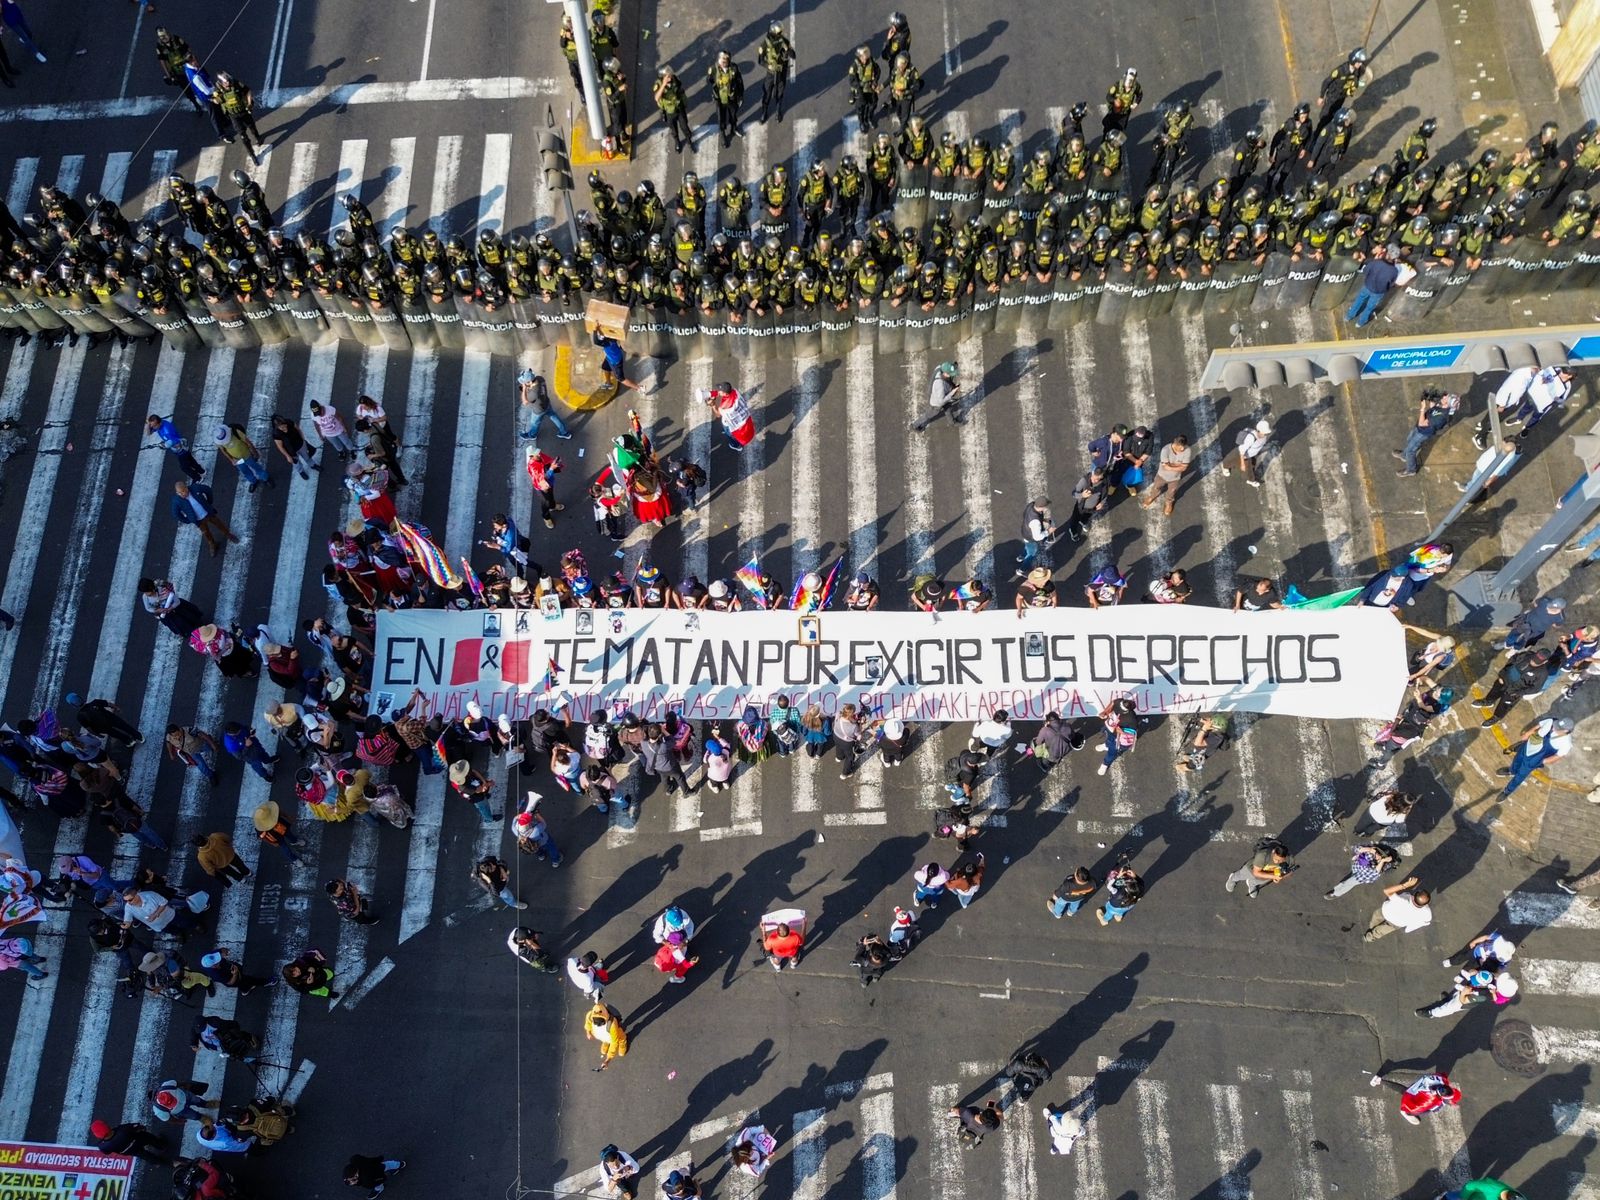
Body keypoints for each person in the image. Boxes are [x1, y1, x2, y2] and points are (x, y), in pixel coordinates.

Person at [1498, 714, 1575, 796]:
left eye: (1558, 728)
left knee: (1521, 774)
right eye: (1556, 725)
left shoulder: (1566, 744)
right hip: (1528, 746)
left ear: (1566, 731)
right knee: (1517, 759)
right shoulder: (1552, 721)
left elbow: (1558, 756)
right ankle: (1512, 771)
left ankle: (1507, 791)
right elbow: (1538, 726)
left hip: (1535, 759)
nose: (1553, 728)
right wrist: (1527, 734)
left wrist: (1541, 761)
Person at [1392, 389, 1460, 476]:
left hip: (1423, 432)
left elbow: (1422, 423)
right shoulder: (1443, 407)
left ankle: (1411, 470)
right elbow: (1433, 408)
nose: (1443, 397)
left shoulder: (1440, 417)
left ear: (1448, 403)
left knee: (1411, 450)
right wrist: (1430, 398)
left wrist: (1422, 408)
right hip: (1420, 428)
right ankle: (1404, 455)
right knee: (1409, 439)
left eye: (1446, 398)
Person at [1367, 1070, 1460, 1126]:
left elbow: (1442, 1076)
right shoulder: (1434, 1101)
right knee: (1427, 1110)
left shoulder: (1442, 1080)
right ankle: (1407, 1114)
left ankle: (1379, 1080)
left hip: (1418, 1087)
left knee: (1405, 1091)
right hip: (1412, 1100)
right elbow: (1429, 1109)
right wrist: (1407, 1111)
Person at [171, 480, 238, 556]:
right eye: (180, 493)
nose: (183, 493)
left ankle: (228, 534)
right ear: (177, 493)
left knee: (219, 524)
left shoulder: (195, 488)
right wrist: (188, 520)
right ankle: (212, 544)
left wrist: (209, 503)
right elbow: (176, 514)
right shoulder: (176, 501)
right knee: (206, 532)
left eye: (184, 490)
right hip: (198, 520)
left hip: (208, 513)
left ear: (186, 487)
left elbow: (208, 490)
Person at [1418, 970, 1518, 1018]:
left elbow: (1463, 1000)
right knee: (1453, 995)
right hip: (1467, 989)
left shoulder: (1484, 996)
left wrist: (1464, 993)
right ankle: (1447, 999)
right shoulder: (1495, 983)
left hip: (1463, 1000)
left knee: (1448, 1008)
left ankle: (1431, 1013)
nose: (1497, 978)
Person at [1344, 243, 1399, 326]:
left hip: (1367, 286)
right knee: (1370, 307)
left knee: (1359, 300)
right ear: (1395, 258)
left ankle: (1348, 316)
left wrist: (1375, 260)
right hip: (1379, 292)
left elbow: (1365, 271)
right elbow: (1391, 284)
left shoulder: (1376, 263)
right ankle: (1360, 323)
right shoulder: (1394, 271)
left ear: (1387, 254)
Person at [1362, 876, 1430, 941]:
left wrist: (1406, 885)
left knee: (1376, 917)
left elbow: (1387, 891)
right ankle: (1369, 937)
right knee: (1380, 932)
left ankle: (1371, 928)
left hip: (1385, 912)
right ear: (1425, 904)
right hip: (1396, 923)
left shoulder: (1402, 901)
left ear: (1413, 897)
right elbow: (1425, 922)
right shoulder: (1427, 912)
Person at [1324, 841, 1401, 899]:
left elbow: (1375, 872)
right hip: (1357, 868)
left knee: (1348, 883)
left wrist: (1382, 861)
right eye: (1378, 852)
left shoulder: (1383, 864)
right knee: (1347, 879)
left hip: (1363, 876)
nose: (1377, 855)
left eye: (1380, 855)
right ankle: (1337, 889)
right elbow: (1357, 848)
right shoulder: (1371, 851)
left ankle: (1336, 893)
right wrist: (1369, 849)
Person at [1224, 837, 1294, 898]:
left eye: (1280, 860)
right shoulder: (1263, 855)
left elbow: (1290, 872)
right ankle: (1233, 878)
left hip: (1269, 874)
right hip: (1251, 869)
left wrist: (1281, 877)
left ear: (1285, 857)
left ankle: (1252, 883)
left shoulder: (1289, 859)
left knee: (1260, 881)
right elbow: (1256, 872)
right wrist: (1273, 876)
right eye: (1275, 859)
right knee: (1241, 875)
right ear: (1273, 852)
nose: (1276, 862)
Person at [1141, 435, 1192, 516]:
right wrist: (1178, 466)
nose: (1183, 449)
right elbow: (1166, 467)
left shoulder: (1187, 450)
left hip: (1175, 478)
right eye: (1181, 447)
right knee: (1156, 486)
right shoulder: (1165, 450)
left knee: (1171, 492)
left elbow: (1184, 468)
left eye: (1184, 447)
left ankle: (1169, 502)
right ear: (1175, 444)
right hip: (1162, 475)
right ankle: (1152, 496)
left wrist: (1171, 467)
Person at [517, 367, 572, 441]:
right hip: (546, 403)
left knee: (534, 423)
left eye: (524, 382)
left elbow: (525, 402)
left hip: (538, 411)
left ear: (529, 382)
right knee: (554, 417)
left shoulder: (533, 394)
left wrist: (524, 390)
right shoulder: (540, 379)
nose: (523, 384)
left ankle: (532, 435)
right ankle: (564, 432)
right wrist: (528, 387)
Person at [146, 413, 205, 481]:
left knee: (184, 467)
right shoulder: (158, 425)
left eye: (153, 426)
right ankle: (202, 471)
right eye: (152, 426)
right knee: (190, 460)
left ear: (159, 423)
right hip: (182, 447)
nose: (152, 428)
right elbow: (148, 433)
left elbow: (177, 444)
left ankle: (198, 478)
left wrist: (165, 445)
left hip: (181, 450)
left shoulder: (167, 431)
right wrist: (148, 424)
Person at [89, 1119, 173, 1165]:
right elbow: (136, 1127)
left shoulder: (103, 1146)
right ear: (107, 1126)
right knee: (150, 1139)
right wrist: (141, 1127)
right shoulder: (122, 1130)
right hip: (138, 1139)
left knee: (145, 1155)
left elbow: (107, 1152)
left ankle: (159, 1162)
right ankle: (161, 1145)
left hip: (129, 1150)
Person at [911, 360, 961, 431]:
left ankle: (952, 422)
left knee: (948, 408)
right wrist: (953, 392)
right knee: (929, 415)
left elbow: (948, 379)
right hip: (936, 402)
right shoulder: (940, 384)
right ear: (946, 374)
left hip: (941, 393)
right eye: (951, 374)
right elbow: (941, 402)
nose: (953, 375)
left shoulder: (940, 368)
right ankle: (915, 425)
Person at [1223, 419, 1272, 485]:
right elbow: (1242, 450)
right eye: (1265, 432)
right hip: (1244, 455)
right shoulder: (1251, 438)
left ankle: (1226, 466)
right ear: (1259, 431)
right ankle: (1251, 480)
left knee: (1232, 460)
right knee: (1248, 470)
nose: (1267, 433)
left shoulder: (1264, 436)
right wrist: (1242, 463)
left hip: (1251, 454)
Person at [1097, 860, 1144, 924]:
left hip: (1113, 907)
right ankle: (1119, 917)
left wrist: (1118, 876)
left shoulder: (1118, 893)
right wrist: (1135, 877)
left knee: (1109, 913)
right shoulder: (1139, 891)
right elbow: (1141, 884)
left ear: (1127, 889)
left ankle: (1104, 920)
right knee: (1122, 911)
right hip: (1127, 906)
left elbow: (1109, 886)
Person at [585, 1003, 629, 1070]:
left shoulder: (612, 1024)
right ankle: (606, 1042)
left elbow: (614, 1042)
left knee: (621, 1044)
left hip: (615, 1037)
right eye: (596, 1023)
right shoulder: (589, 1015)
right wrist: (588, 1033)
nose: (599, 1025)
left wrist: (608, 1060)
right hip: (604, 1037)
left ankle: (623, 1043)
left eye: (601, 1023)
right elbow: (587, 1024)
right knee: (604, 1048)